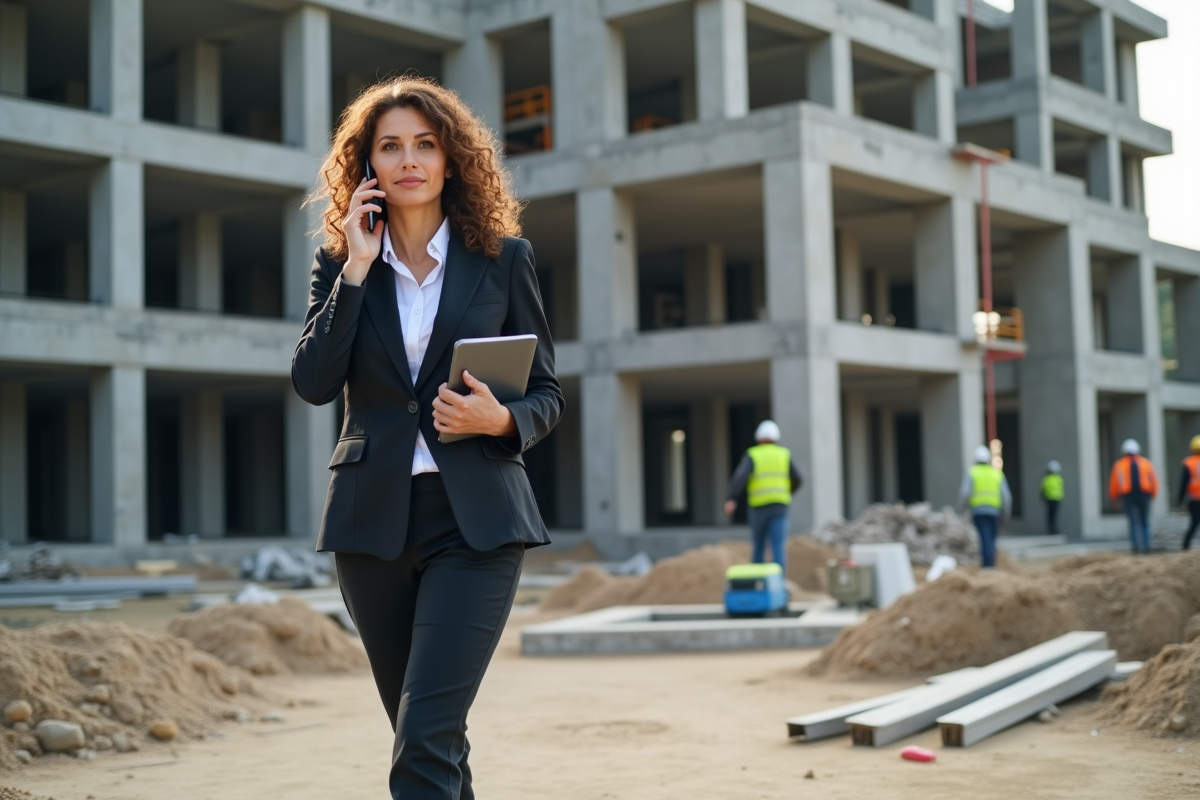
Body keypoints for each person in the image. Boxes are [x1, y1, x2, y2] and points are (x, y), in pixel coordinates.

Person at [291, 77, 562, 799]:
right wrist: (354, 267)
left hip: (474, 526)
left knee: (423, 742)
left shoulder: (504, 260)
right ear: (367, 167)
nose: (409, 159)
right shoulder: (340, 265)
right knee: (430, 740)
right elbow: (315, 382)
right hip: (369, 528)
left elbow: (547, 395)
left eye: (424, 144)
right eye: (390, 147)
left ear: (450, 159)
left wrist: (499, 420)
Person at [723, 420, 803, 572]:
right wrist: (787, 491)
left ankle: (759, 583)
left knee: (758, 546)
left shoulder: (753, 454)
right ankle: (778, 583)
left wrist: (732, 498)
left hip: (759, 507)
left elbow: (741, 477)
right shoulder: (784, 454)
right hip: (780, 506)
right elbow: (798, 478)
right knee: (778, 546)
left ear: (758, 438)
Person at [957, 446, 1012, 568]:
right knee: (991, 539)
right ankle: (990, 565)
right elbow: (1007, 497)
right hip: (994, 512)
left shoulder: (972, 472)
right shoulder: (997, 474)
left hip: (979, 512)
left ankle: (988, 567)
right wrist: (1006, 514)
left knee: (984, 539)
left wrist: (962, 510)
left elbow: (965, 493)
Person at [1108, 439, 1158, 554]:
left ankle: (1136, 546)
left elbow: (1114, 483)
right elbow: (1154, 481)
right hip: (1144, 495)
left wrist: (1114, 497)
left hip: (1128, 496)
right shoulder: (1146, 463)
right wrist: (1153, 494)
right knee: (1144, 521)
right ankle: (1146, 546)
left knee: (1133, 522)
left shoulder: (1119, 464)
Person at [1178, 435, 1200, 551]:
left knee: (1194, 523)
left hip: (1194, 499)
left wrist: (1180, 500)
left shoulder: (1188, 462)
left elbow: (1183, 483)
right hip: (1195, 499)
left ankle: (1185, 546)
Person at [1041, 460, 1064, 534]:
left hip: (1049, 500)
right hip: (1057, 500)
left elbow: (1043, 490)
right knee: (1054, 517)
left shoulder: (1046, 479)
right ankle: (1054, 531)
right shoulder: (1059, 479)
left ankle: (1052, 531)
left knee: (1050, 517)